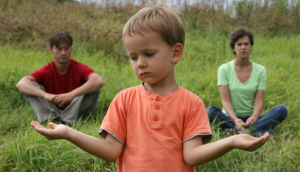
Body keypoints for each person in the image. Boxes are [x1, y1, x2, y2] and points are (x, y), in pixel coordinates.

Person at [31, 4, 270, 172]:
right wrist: (68, 133)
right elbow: (111, 151)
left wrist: (231, 142)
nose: (140, 63)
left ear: (175, 52)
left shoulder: (191, 103)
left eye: (148, 53)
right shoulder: (124, 99)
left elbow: (191, 156)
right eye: (133, 57)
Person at [207, 28, 287, 136]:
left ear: (251, 47)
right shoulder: (224, 69)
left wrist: (254, 117)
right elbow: (225, 101)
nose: (243, 47)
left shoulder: (260, 70)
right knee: (210, 111)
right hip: (230, 117)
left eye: (246, 44)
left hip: (251, 119)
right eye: (239, 44)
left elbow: (259, 101)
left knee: (281, 110)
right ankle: (252, 130)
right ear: (233, 47)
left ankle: (239, 131)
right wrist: (235, 119)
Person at [17, 31, 104, 126]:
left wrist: (71, 95)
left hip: (74, 110)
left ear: (71, 49)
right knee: (30, 85)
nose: (63, 53)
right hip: (52, 109)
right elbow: (21, 84)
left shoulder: (79, 67)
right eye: (59, 49)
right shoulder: (47, 69)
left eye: (67, 48)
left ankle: (69, 121)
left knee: (93, 86)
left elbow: (98, 81)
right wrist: (46, 95)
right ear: (51, 50)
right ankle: (51, 119)